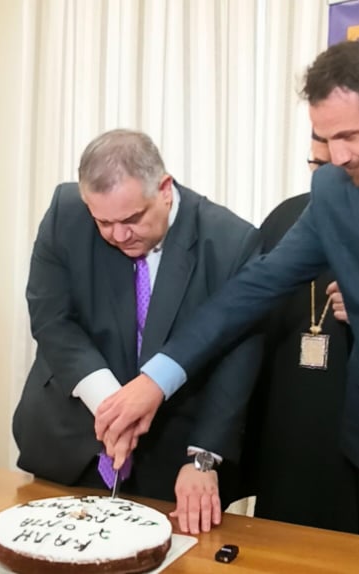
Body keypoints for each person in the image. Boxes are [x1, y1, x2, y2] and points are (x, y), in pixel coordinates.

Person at [95, 41, 359, 546]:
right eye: (326, 139)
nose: (337, 156)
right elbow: (253, 290)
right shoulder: (335, 190)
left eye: (350, 136)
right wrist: (155, 380)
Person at [13, 129, 263, 535]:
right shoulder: (65, 213)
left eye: (132, 219)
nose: (119, 235)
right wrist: (112, 405)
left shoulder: (231, 242)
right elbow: (51, 319)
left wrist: (203, 458)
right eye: (104, 222)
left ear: (164, 189)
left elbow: (237, 357)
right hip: (69, 446)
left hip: (174, 461)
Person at [241, 132, 358, 532]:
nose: (325, 179)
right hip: (286, 421)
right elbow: (246, 314)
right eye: (316, 165)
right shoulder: (286, 218)